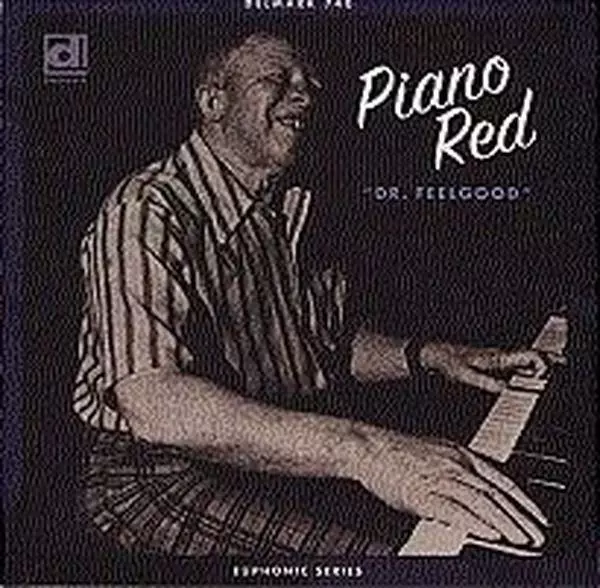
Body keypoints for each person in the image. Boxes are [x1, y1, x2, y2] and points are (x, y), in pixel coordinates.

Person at [74, 32, 551, 557]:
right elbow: (154, 403)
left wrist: (431, 356)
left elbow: (325, 346)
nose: (303, 96)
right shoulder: (146, 209)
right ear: (213, 101)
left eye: (310, 84)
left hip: (270, 454)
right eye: (277, 80)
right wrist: (369, 451)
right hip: (153, 474)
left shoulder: (292, 203)